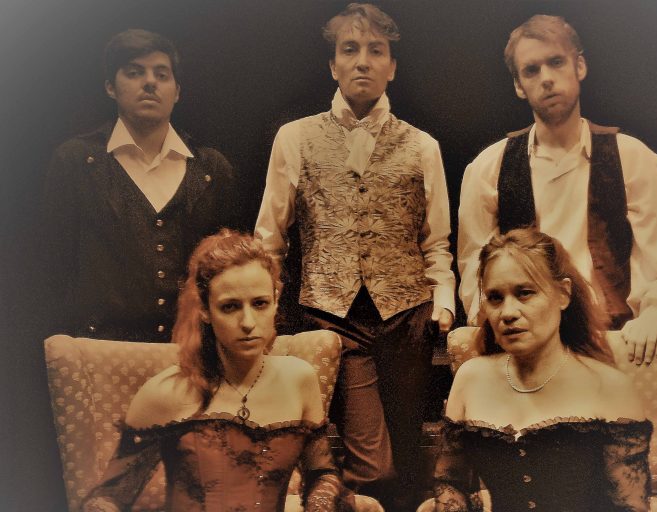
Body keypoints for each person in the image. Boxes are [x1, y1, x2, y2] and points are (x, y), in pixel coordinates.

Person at [255, 4, 455, 508]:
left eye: (375, 50)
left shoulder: (423, 146)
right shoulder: (295, 137)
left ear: (392, 66)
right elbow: (270, 240)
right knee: (372, 462)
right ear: (333, 65)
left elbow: (435, 242)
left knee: (408, 455)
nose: (363, 60)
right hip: (332, 317)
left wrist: (444, 302)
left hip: (408, 318)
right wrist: (264, 311)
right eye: (350, 49)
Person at [457, 14, 657, 366]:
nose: (546, 78)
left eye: (556, 62)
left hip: (614, 339)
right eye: (531, 70)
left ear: (579, 66)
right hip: (527, 346)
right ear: (519, 85)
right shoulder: (489, 168)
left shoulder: (634, 159)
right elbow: (476, 273)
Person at [80, 229, 354, 511]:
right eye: (230, 307)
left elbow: (323, 473)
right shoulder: (165, 393)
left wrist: (319, 507)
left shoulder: (299, 379)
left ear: (275, 301)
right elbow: (108, 498)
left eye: (260, 304)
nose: (248, 322)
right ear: (205, 310)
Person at [42, 29, 243, 342]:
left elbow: (230, 272)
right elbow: (53, 268)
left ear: (177, 91)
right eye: (134, 72)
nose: (150, 82)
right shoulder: (77, 162)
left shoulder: (211, 169)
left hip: (191, 351)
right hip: (98, 350)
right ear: (110, 87)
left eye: (162, 74)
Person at [432, 228, 652, 511]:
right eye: (495, 298)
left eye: (525, 293)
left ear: (563, 294)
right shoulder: (470, 378)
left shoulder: (610, 387)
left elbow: (629, 506)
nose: (507, 312)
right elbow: (451, 484)